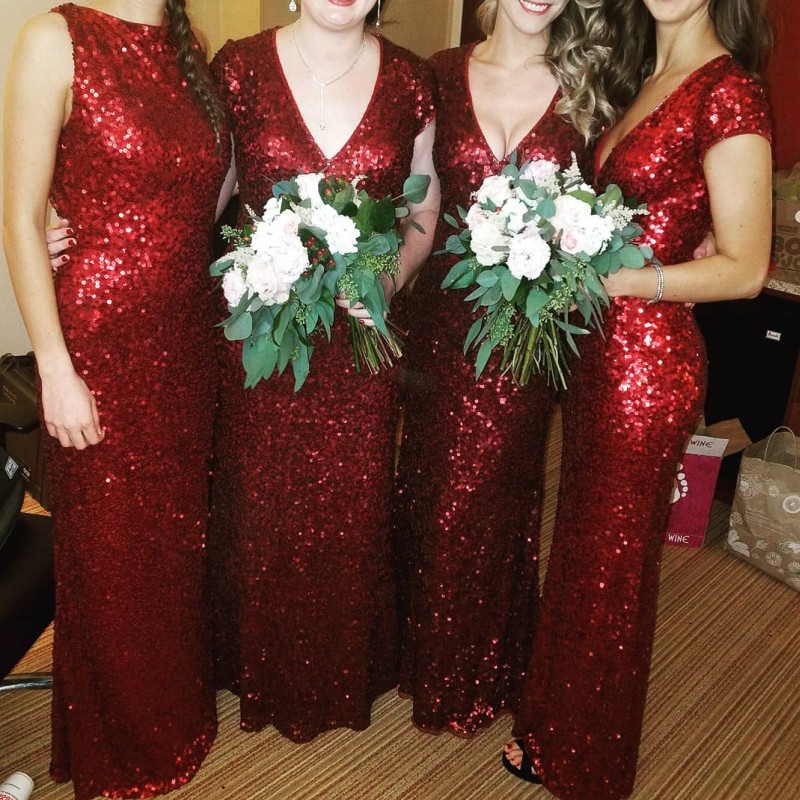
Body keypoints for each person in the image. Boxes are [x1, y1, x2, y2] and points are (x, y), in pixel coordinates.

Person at [504, 0, 772, 797]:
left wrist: (631, 281)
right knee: (583, 547)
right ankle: (553, 725)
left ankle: (587, 760)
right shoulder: (644, 76)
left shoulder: (728, 89)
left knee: (611, 564)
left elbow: (746, 269)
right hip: (600, 358)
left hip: (647, 368)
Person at [3, 1, 231, 796]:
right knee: (110, 550)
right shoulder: (54, 38)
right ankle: (123, 741)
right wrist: (56, 368)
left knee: (173, 539)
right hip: (99, 345)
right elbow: (20, 219)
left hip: (187, 337)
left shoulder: (188, 43)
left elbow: (199, 195)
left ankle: (172, 711)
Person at [207, 0, 440, 742]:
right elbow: (205, 191)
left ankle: (338, 671)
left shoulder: (412, 80)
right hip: (266, 340)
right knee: (261, 504)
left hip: (359, 341)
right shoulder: (239, 68)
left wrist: (391, 279)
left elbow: (423, 204)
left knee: (351, 504)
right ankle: (256, 664)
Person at [394, 0, 612, 735]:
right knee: (428, 485)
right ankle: (415, 650)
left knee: (494, 493)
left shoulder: (590, 86)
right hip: (439, 326)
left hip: (527, 335)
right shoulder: (435, 76)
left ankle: (472, 670)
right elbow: (396, 187)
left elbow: (631, 193)